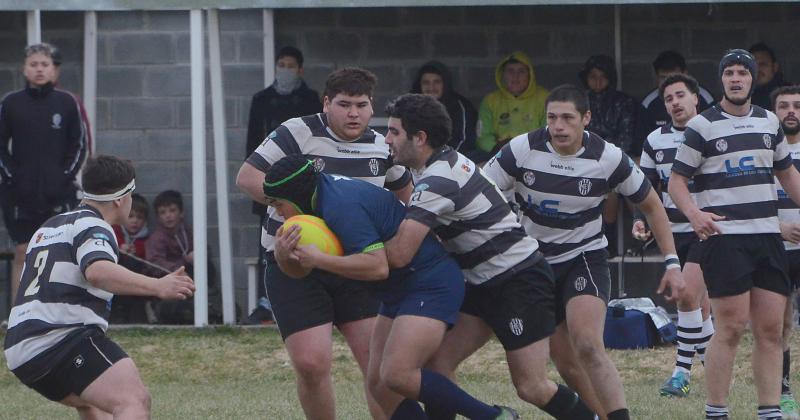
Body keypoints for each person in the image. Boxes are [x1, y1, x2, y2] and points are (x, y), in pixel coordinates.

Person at [385, 93, 598, 420]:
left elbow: (400, 254)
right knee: (437, 365)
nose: (387, 140)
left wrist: (346, 251)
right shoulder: (435, 165)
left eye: (394, 132)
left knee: (532, 386)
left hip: (517, 281)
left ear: (420, 138)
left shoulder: (438, 180)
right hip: (482, 282)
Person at [265, 155, 519, 420]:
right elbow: (301, 270)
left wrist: (320, 259)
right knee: (379, 384)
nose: (277, 213)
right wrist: (284, 257)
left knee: (398, 375)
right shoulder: (319, 197)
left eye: (278, 204)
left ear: (295, 195)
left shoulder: (341, 205)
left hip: (429, 282)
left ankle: (493, 416)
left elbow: (377, 267)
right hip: (400, 288)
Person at [484, 84, 684, 420]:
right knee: (566, 364)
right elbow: (481, 191)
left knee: (588, 344)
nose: (558, 126)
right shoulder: (522, 149)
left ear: (586, 118)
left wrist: (672, 262)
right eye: (552, 118)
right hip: (533, 264)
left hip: (584, 257)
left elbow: (652, 204)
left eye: (567, 118)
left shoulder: (608, 157)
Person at [235, 67, 412, 420]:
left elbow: (404, 195)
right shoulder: (297, 132)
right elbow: (248, 177)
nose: (353, 113)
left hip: (356, 267)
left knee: (377, 365)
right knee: (311, 363)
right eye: (344, 104)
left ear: (370, 106)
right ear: (326, 103)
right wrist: (296, 211)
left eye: (361, 105)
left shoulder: (381, 145)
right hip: (294, 263)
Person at [3, 155, 194, 419]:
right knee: (134, 401)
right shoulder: (94, 225)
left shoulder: (48, 228)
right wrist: (158, 285)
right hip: (59, 339)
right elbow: (97, 271)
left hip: (20, 348)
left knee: (95, 405)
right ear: (120, 199)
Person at [668, 49, 800, 420]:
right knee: (730, 325)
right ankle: (716, 410)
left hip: (768, 237)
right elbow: (676, 181)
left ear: (753, 79)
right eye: (730, 73)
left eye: (743, 72)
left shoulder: (769, 121)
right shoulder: (703, 126)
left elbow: (786, 175)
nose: (736, 78)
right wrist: (694, 214)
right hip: (725, 239)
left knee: (771, 329)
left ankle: (770, 410)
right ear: (722, 80)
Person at [632, 74, 714, 397]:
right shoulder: (654, 140)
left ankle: (681, 373)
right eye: (668, 99)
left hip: (706, 230)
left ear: (696, 98)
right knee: (699, 305)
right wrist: (643, 221)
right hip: (672, 233)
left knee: (686, 295)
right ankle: (714, 364)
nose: (675, 103)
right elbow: (647, 188)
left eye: (681, 95)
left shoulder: (712, 131)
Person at [0, 43, 88, 303]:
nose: (39, 70)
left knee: (61, 252)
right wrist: (11, 177)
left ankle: (60, 310)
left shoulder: (67, 102)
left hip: (58, 192)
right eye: (33, 65)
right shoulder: (11, 103)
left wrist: (64, 177)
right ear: (25, 70)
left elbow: (79, 144)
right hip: (19, 193)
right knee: (23, 250)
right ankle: (20, 314)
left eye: (45, 65)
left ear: (55, 70)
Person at [244, 46, 322, 325]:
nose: (285, 69)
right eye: (281, 64)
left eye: (290, 65)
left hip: (303, 183)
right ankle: (267, 302)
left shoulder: (310, 99)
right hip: (271, 184)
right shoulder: (262, 99)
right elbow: (252, 146)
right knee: (268, 242)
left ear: (300, 69)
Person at [771, 85, 800, 419]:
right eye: (783, 106)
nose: (790, 111)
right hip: (776, 248)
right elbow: (750, 201)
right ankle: (784, 394)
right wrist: (779, 228)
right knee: (778, 328)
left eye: (796, 105)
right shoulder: (765, 152)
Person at [475, 51, 549, 163]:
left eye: (521, 71)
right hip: (498, 156)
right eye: (510, 71)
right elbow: (482, 137)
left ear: (530, 75)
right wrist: (502, 151)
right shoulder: (490, 101)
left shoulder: (545, 98)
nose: (515, 76)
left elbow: (549, 133)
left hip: (535, 156)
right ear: (502, 75)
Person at [411, 60, 478, 157]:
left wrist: (441, 161)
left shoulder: (459, 106)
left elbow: (463, 141)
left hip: (454, 162)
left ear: (445, 84)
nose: (431, 87)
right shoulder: (411, 107)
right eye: (426, 82)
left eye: (436, 82)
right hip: (417, 162)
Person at [640, 50, 715, 130]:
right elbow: (643, 138)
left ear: (685, 73)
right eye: (663, 78)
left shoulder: (705, 99)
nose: (669, 83)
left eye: (675, 77)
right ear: (656, 77)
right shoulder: (649, 104)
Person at [110, 193, 152, 324]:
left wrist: (137, 252)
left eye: (139, 217)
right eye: (130, 216)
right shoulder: (114, 232)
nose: (135, 221)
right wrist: (120, 250)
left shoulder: (147, 238)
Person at [749, 43, 792, 111]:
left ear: (775, 67)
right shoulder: (741, 95)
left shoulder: (790, 93)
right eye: (753, 65)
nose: (757, 69)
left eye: (762, 64)